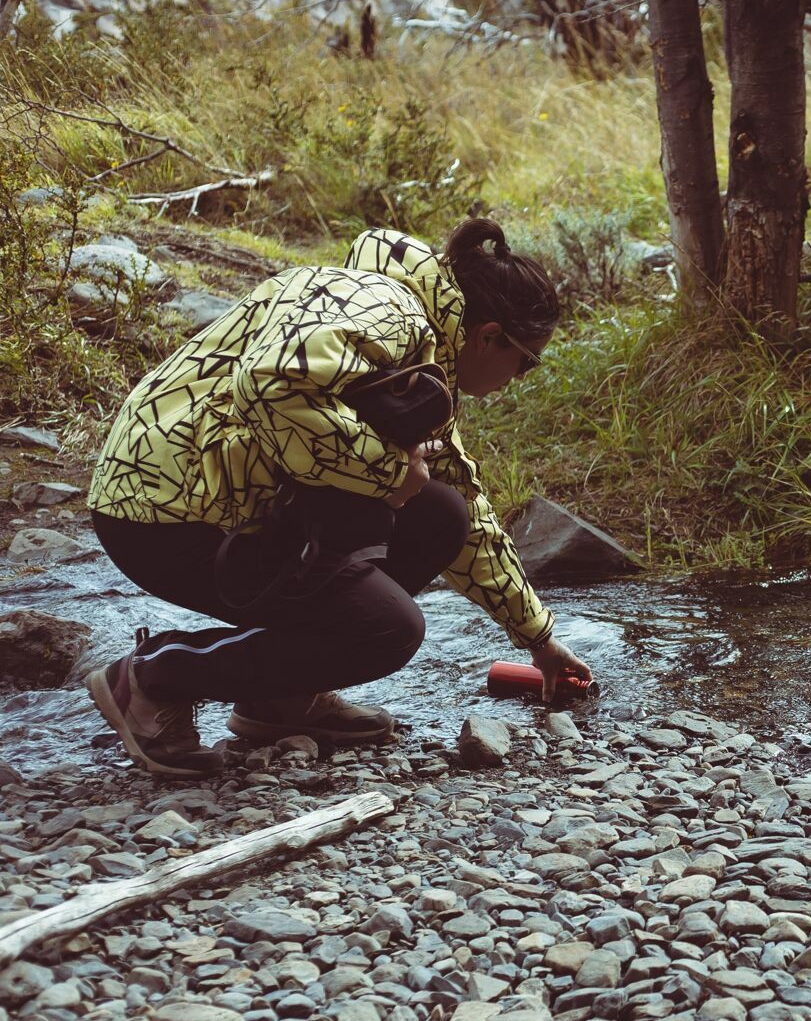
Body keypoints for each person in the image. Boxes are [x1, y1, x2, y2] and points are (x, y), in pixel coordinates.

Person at [84, 217, 593, 778]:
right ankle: (153, 676)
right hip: (159, 511)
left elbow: (469, 520)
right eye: (528, 360)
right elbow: (270, 384)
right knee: (388, 629)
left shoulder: (418, 349)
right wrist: (385, 470)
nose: (520, 377)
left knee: (442, 512)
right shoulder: (388, 312)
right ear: (488, 335)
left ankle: (280, 697)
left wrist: (539, 639)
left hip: (220, 501)